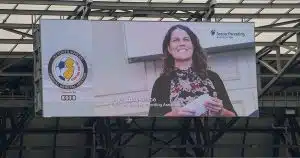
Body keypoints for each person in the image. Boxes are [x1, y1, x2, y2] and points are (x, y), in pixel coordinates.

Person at [148, 24, 237, 117]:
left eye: (186, 39)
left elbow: (234, 116)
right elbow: (151, 124)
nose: (182, 43)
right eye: (175, 40)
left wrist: (221, 111)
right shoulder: (161, 83)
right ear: (169, 49)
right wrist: (174, 115)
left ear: (193, 45)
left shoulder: (213, 77)